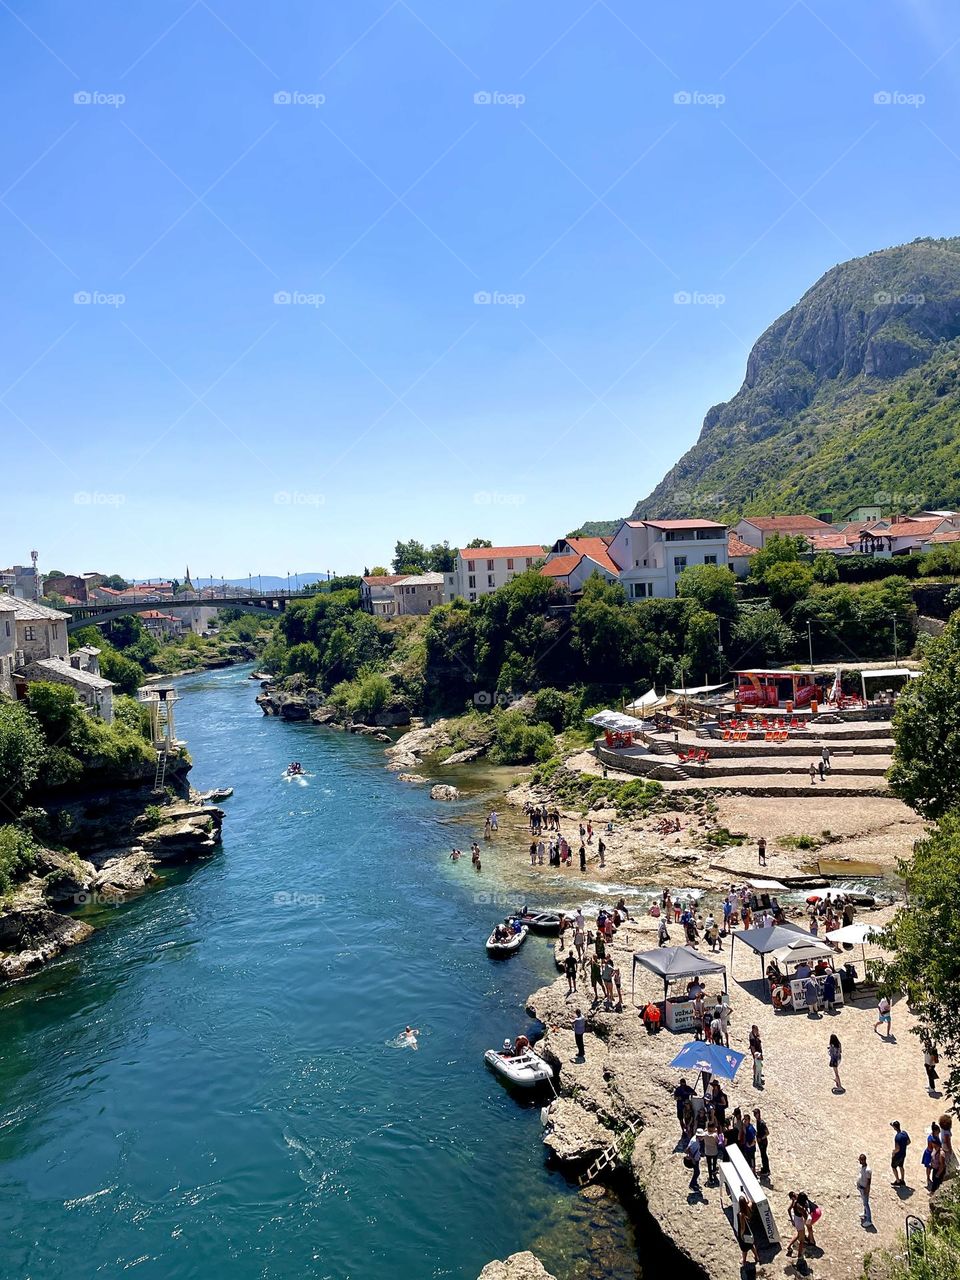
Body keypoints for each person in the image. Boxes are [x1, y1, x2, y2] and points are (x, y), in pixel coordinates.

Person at [890, 1121, 910, 1187]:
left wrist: (893, 1153)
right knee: (901, 1166)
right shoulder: (904, 1133)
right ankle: (902, 1179)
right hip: (903, 1153)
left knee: (893, 1167)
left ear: (895, 1128)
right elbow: (909, 1142)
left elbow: (897, 1148)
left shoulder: (897, 1137)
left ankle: (898, 1181)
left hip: (898, 1155)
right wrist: (903, 1146)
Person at [754, 1108, 770, 1177]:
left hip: (763, 1142)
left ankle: (766, 1170)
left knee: (764, 1156)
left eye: (755, 1113)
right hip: (760, 1142)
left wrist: (761, 1138)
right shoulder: (757, 1121)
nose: (754, 1115)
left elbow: (767, 1133)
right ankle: (764, 1168)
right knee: (762, 1155)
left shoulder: (762, 1123)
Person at [858, 1154, 873, 1227]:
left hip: (864, 1189)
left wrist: (867, 1190)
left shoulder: (868, 1170)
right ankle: (865, 1213)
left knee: (866, 1204)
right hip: (861, 1187)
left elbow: (868, 1182)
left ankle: (869, 1220)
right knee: (864, 1203)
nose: (859, 1161)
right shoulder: (862, 1167)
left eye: (860, 1160)